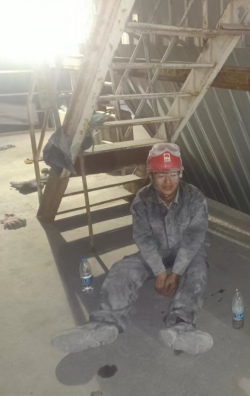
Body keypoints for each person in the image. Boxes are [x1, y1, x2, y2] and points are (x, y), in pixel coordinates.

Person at [52, 143, 212, 355]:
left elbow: (194, 238)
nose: (168, 181)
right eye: (161, 175)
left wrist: (176, 273)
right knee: (123, 268)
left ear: (180, 174)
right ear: (151, 176)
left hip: (188, 251)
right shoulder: (143, 200)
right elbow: (144, 238)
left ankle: (181, 326)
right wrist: (160, 271)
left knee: (198, 270)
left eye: (173, 174)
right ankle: (104, 324)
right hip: (157, 250)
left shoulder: (194, 197)